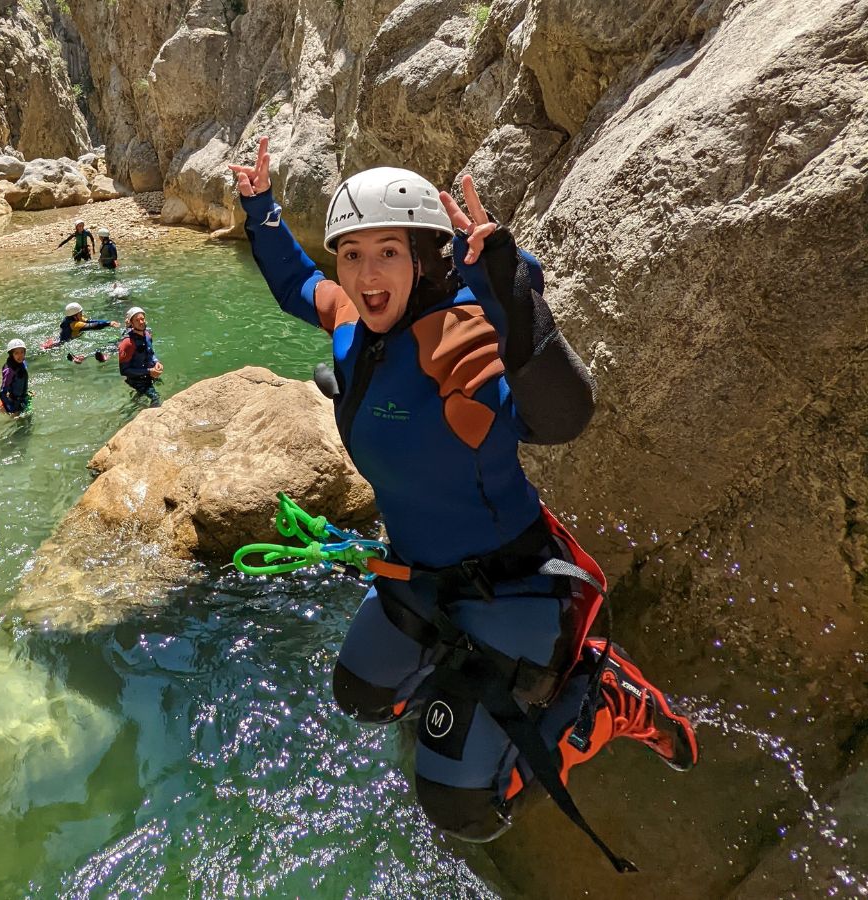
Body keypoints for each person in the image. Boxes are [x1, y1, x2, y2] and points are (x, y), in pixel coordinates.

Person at [229, 137, 697, 871]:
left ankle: (602, 701)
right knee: (358, 694)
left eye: (388, 251)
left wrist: (509, 287)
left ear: (425, 257)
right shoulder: (355, 325)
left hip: (511, 581)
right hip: (422, 569)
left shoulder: (461, 337)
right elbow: (299, 285)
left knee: (460, 808)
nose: (365, 273)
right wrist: (260, 208)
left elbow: (562, 417)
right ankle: (466, 682)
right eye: (351, 253)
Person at [117, 306, 162, 406]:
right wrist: (149, 371)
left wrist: (156, 362)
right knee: (156, 398)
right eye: (137, 320)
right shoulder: (127, 343)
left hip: (148, 375)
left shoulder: (147, 335)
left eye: (142, 319)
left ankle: (136, 402)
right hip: (136, 380)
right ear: (131, 323)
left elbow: (151, 353)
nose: (141, 322)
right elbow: (123, 371)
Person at [0, 339, 30, 415]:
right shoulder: (9, 371)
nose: (20, 355)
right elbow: (2, 393)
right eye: (16, 353)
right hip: (14, 402)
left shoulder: (22, 363)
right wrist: (11, 410)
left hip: (23, 398)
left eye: (22, 352)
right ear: (11, 354)